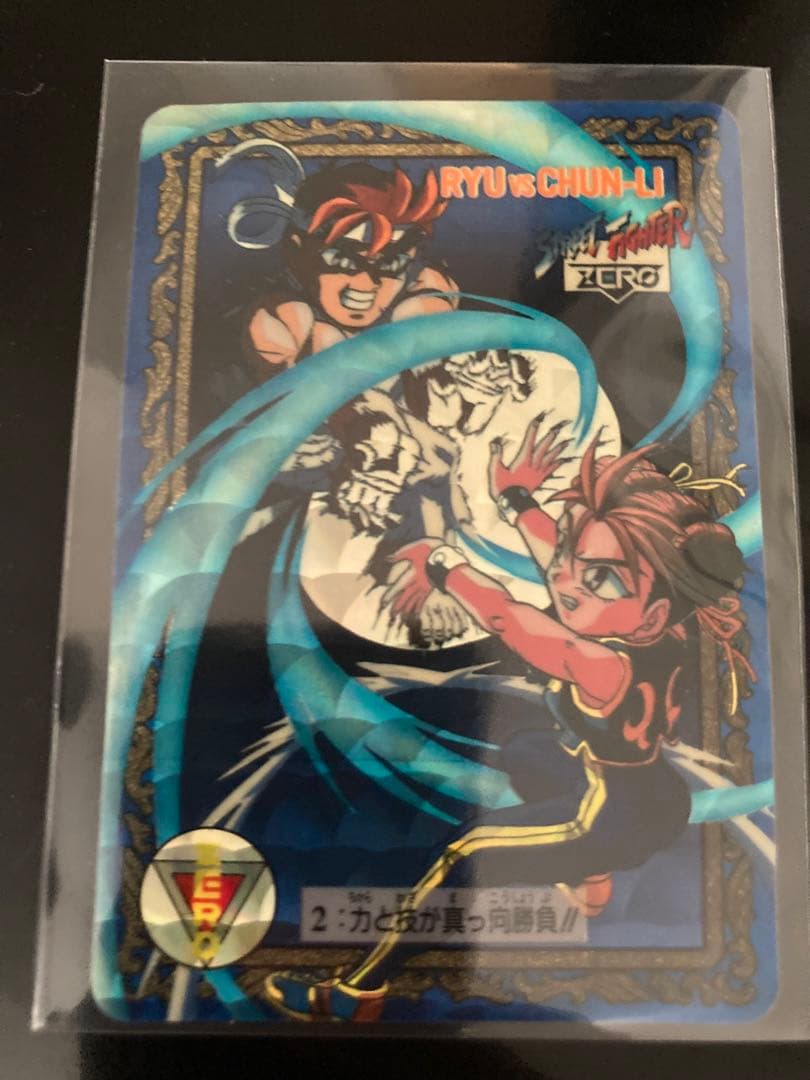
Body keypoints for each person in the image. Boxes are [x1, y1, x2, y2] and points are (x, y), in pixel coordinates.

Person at [264, 416, 753, 1021]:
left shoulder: (598, 662)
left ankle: (356, 993)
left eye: (601, 580)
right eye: (575, 556)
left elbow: (507, 618)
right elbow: (566, 558)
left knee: (464, 854)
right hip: (654, 792)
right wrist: (518, 499)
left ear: (650, 613)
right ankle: (592, 878)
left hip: (609, 816)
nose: (567, 579)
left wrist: (442, 564)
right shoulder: (660, 623)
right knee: (527, 749)